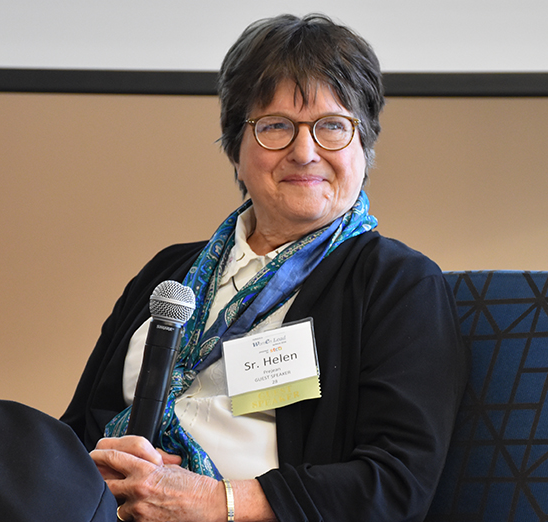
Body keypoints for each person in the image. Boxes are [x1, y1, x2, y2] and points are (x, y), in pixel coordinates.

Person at [60, 13, 468, 522]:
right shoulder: (168, 271)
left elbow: (394, 485)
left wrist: (209, 501)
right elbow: (76, 426)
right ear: (237, 146)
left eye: (332, 127)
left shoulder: (397, 283)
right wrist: (94, 474)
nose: (304, 151)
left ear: (364, 145)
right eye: (275, 126)